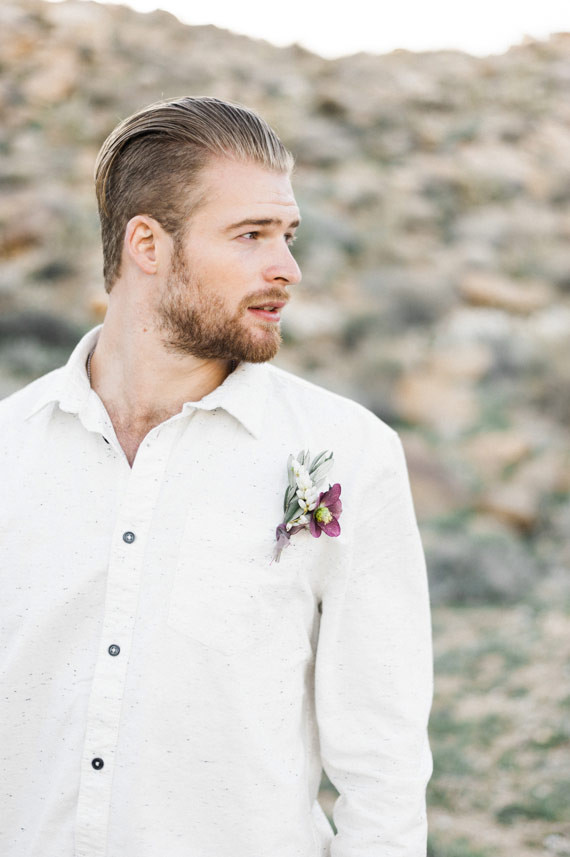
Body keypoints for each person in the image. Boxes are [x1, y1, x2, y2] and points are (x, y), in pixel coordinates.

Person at [0, 96, 433, 857]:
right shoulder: (11, 448)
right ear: (147, 244)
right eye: (250, 235)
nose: (287, 269)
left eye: (288, 235)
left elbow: (384, 762)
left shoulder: (348, 452)